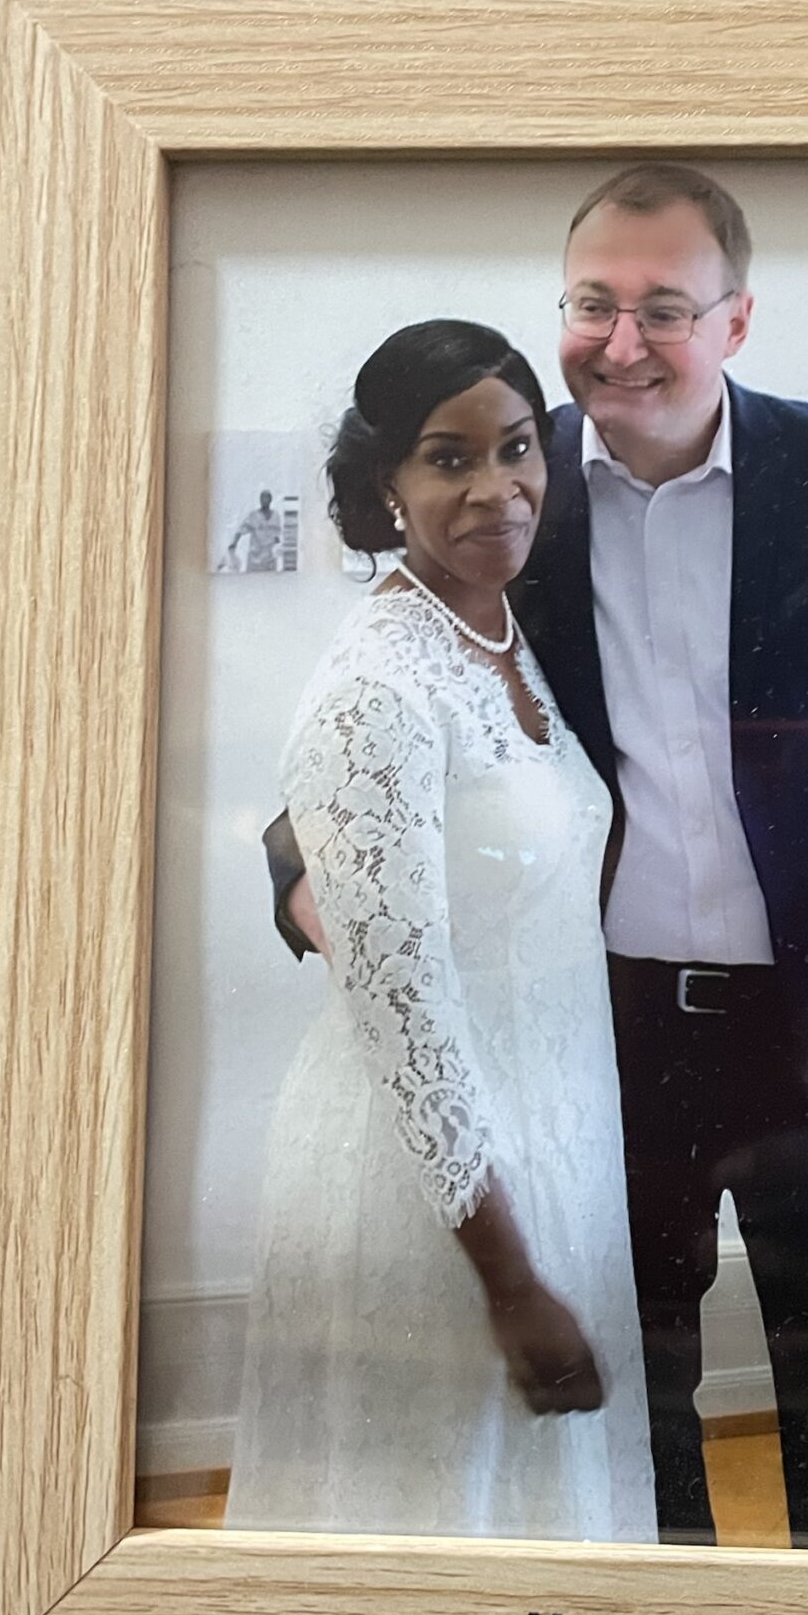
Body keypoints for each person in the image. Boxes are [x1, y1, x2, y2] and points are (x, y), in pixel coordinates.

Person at [269, 166, 808, 1551]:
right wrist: (294, 876)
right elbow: (388, 713)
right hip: (610, 1041)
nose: (622, 342)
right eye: (592, 304)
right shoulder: (510, 479)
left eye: (664, 307)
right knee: (639, 1426)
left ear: (735, 320)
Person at [225, 321, 656, 1542]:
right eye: (448, 458)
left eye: (516, 448)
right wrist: (510, 1282)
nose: (494, 487)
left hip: (550, 1135)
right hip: (436, 1186)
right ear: (387, 486)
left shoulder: (499, 630)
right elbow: (403, 1015)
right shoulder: (380, 683)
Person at [219, 488, 283, 571]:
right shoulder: (254, 515)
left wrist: (278, 547)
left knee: (270, 577)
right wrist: (234, 543)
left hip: (270, 558)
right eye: (262, 498)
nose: (264, 500)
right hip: (255, 557)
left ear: (270, 500)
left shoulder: (276, 516)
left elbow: (277, 535)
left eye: (266, 498)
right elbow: (240, 530)